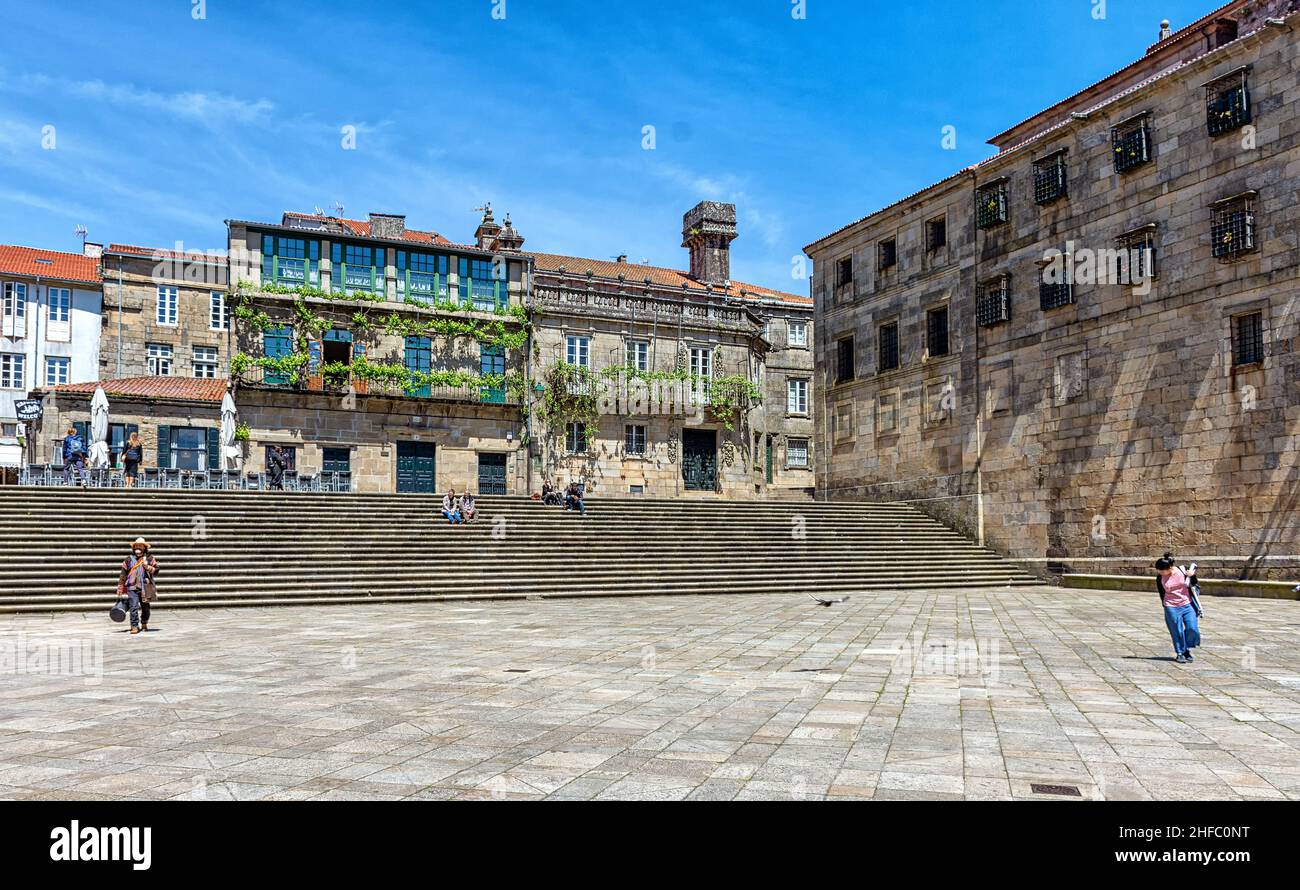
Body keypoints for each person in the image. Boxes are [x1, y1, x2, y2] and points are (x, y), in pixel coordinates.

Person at [1155, 553, 1202, 664]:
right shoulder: (1159, 577)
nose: (1160, 573)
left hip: (1187, 604)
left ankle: (1185, 647)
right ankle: (1181, 652)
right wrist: (1165, 605)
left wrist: (1192, 575)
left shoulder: (1183, 570)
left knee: (1192, 628)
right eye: (1159, 571)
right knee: (1176, 630)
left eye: (1162, 571)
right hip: (1171, 606)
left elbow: (1194, 583)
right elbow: (1161, 592)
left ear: (1170, 568)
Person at [117, 537, 159, 635]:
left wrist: (148, 567)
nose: (138, 547)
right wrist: (120, 586)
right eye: (136, 545)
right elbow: (123, 573)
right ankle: (134, 626)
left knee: (146, 608)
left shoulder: (150, 558)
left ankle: (144, 623)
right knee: (133, 607)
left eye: (140, 545)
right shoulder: (128, 559)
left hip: (146, 587)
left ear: (144, 547)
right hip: (132, 587)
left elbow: (157, 570)